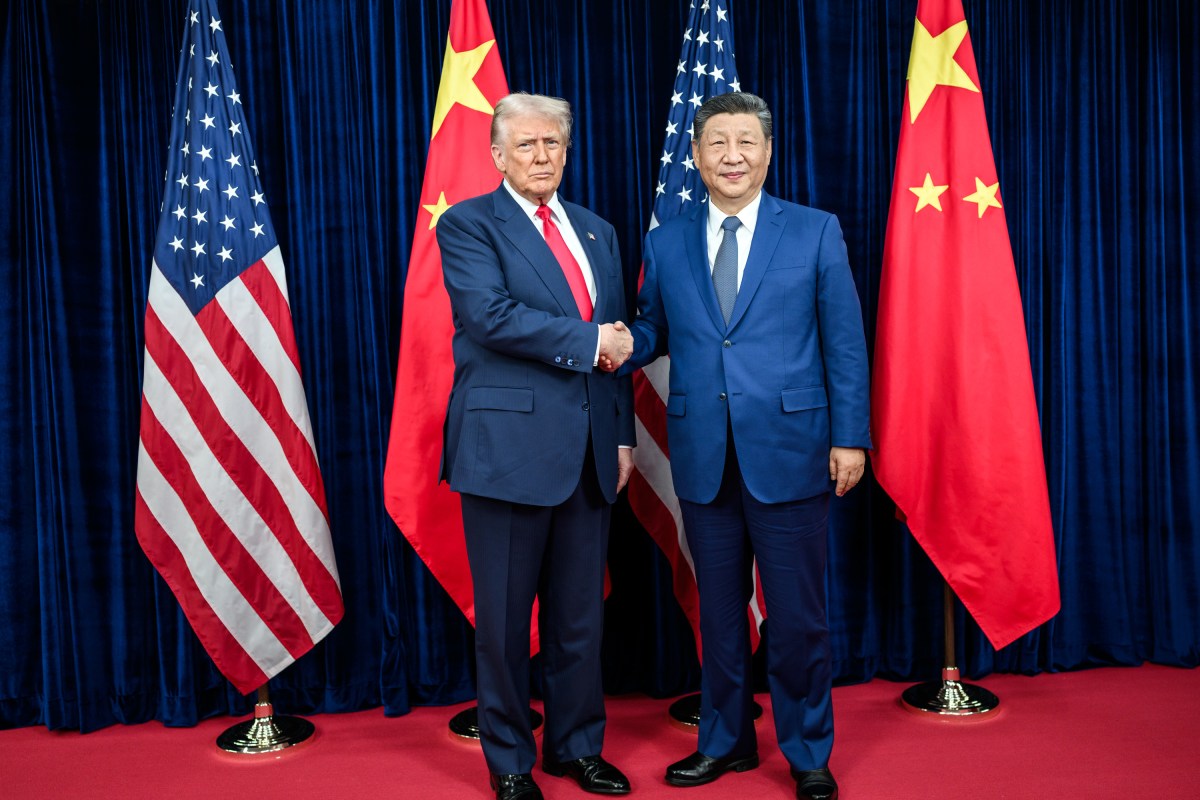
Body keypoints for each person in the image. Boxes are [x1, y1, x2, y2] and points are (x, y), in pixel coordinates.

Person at [618, 92, 870, 800]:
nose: (732, 155)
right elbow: (654, 329)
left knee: (797, 620)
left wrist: (851, 437)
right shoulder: (667, 241)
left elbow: (844, 346)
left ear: (766, 152)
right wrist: (610, 344)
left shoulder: (814, 232)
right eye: (717, 143)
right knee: (721, 617)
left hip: (794, 452)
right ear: (695, 157)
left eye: (746, 143)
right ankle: (723, 743)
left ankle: (808, 748)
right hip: (703, 456)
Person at [435, 92, 636, 800]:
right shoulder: (467, 225)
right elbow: (488, 316)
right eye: (526, 145)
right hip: (506, 452)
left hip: (589, 456)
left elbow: (612, 346)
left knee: (580, 620)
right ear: (496, 155)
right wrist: (589, 341)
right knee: (504, 626)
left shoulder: (597, 230)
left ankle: (577, 748)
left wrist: (618, 435)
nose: (542, 156)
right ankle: (511, 764)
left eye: (553, 143)